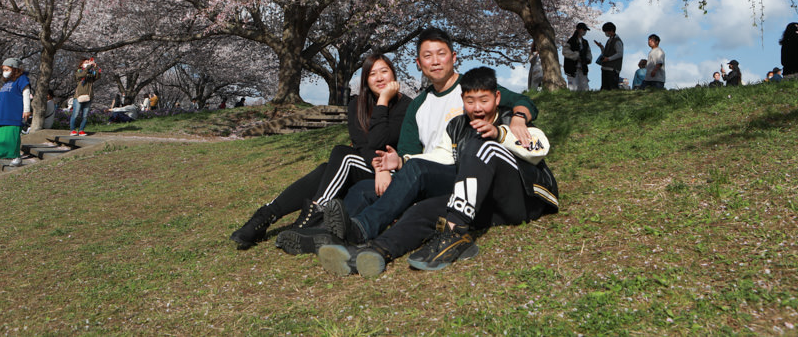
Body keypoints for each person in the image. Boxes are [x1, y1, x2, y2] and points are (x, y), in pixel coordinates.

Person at [280, 27, 537, 255]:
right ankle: (325, 231)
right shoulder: (418, 106)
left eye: (441, 54)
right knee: (363, 190)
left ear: (453, 57)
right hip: (431, 174)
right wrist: (391, 166)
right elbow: (407, 151)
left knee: (415, 170)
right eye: (427, 56)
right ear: (418, 63)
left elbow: (524, 102)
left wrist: (517, 118)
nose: (435, 61)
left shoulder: (471, 90)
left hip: (468, 171)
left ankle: (359, 230)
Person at [315, 67, 558, 277]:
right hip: (479, 203)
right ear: (462, 100)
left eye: (484, 100)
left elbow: (539, 148)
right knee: (421, 200)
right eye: (470, 101)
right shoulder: (457, 125)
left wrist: (500, 133)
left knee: (481, 145)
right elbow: (440, 158)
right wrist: (400, 162)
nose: (477, 108)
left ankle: (455, 233)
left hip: (521, 199)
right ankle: (372, 246)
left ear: (496, 97)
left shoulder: (510, 120)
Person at [231, 54, 410, 251]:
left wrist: (383, 101)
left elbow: (378, 142)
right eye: (372, 74)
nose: (379, 78)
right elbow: (361, 146)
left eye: (384, 71)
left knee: (344, 155)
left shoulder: (405, 106)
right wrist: (378, 168)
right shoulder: (357, 105)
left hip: (392, 169)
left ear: (393, 74)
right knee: (328, 168)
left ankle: (313, 216)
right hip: (372, 166)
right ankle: (265, 216)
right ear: (366, 80)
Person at [70, 57, 99, 136]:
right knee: (75, 114)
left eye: (88, 62)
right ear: (81, 64)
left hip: (88, 96)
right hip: (78, 96)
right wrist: (88, 67)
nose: (87, 63)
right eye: (86, 62)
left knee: (85, 115)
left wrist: (95, 67)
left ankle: (81, 130)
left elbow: (97, 77)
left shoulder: (90, 74)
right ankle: (72, 130)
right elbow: (82, 74)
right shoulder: (78, 72)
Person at [562, 22, 592, 91]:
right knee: (573, 87)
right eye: (583, 29)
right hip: (571, 67)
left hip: (583, 67)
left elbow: (588, 53)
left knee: (584, 87)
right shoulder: (571, 41)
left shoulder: (585, 42)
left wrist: (587, 59)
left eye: (585, 30)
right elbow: (565, 51)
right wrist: (576, 55)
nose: (584, 31)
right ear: (578, 30)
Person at [594, 22, 623, 90]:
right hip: (605, 67)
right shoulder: (609, 40)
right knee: (605, 88)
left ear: (611, 31)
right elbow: (606, 53)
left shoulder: (617, 41)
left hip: (613, 68)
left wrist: (608, 59)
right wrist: (601, 47)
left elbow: (620, 53)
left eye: (606, 31)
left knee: (612, 88)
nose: (605, 33)